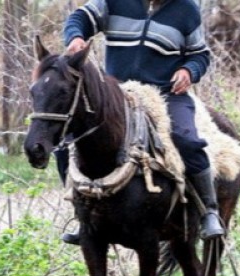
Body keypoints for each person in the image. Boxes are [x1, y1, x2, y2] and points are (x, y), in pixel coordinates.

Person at [59, 0, 224, 244]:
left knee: (187, 140)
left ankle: (208, 211)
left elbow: (199, 54)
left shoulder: (186, 10)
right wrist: (75, 37)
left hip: (165, 94)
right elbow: (79, 19)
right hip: (116, 92)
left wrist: (189, 71)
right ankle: (81, 212)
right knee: (66, 142)